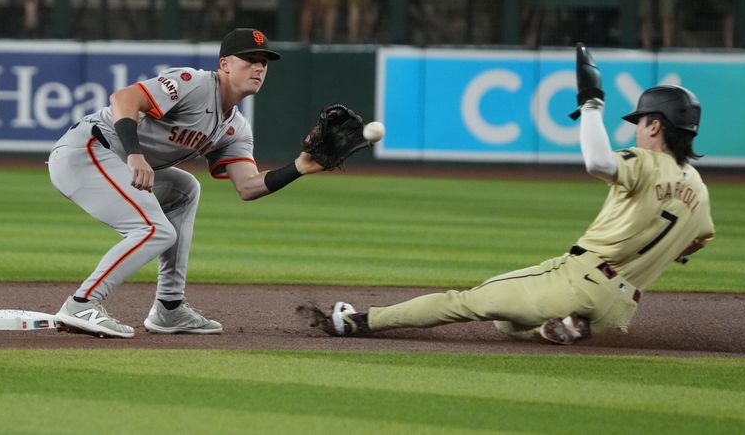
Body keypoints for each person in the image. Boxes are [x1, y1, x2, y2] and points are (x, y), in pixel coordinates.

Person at [305, 44, 714, 345]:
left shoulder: (643, 160)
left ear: (657, 126)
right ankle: (566, 326)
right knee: (506, 324)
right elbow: (694, 241)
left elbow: (598, 162)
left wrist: (591, 104)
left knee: (463, 302)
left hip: (578, 279)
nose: (638, 128)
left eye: (642, 121)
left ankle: (357, 321)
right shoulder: (699, 189)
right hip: (620, 309)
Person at [50, 28, 327, 338]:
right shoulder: (194, 83)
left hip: (111, 160)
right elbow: (124, 98)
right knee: (155, 230)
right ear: (224, 65)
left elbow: (249, 187)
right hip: (86, 151)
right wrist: (135, 154)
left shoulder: (236, 127)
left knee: (185, 189)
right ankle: (82, 303)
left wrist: (300, 167)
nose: (259, 67)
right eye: (249, 59)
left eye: (263, 61)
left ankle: (169, 308)